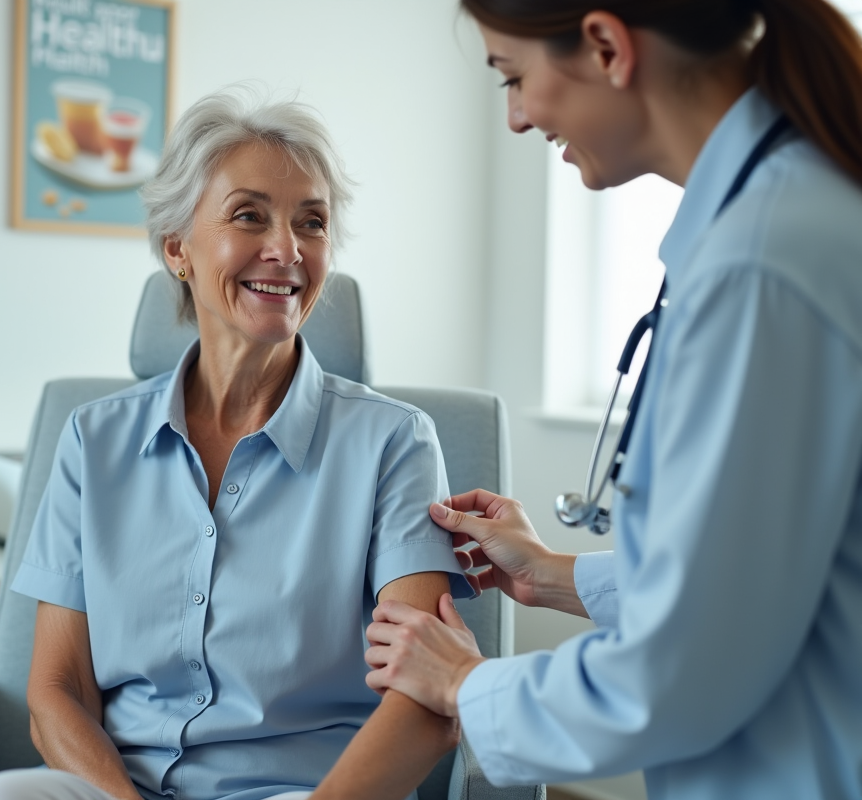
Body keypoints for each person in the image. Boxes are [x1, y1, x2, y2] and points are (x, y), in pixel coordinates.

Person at [362, 1, 862, 798]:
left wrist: (465, 686)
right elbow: (757, 570)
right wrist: (553, 575)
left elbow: (690, 667)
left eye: (515, 77)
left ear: (605, 45)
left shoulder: (762, 266)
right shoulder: (781, 216)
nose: (517, 118)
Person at [0, 88, 476, 800]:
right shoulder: (92, 438)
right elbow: (57, 690)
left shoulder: (394, 443)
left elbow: (424, 701)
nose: (287, 250)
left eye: (312, 223)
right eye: (249, 215)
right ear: (178, 248)